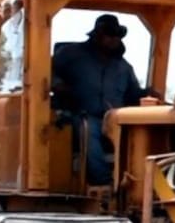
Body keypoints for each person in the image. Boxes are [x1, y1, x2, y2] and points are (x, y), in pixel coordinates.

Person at [51, 13, 157, 186]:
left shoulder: (124, 67)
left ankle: (143, 180)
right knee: (88, 130)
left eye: (117, 35)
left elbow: (133, 94)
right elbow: (46, 72)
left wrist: (148, 94)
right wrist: (58, 84)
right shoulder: (70, 54)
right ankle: (104, 183)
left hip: (116, 120)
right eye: (109, 34)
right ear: (97, 35)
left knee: (141, 134)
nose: (114, 39)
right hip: (81, 115)